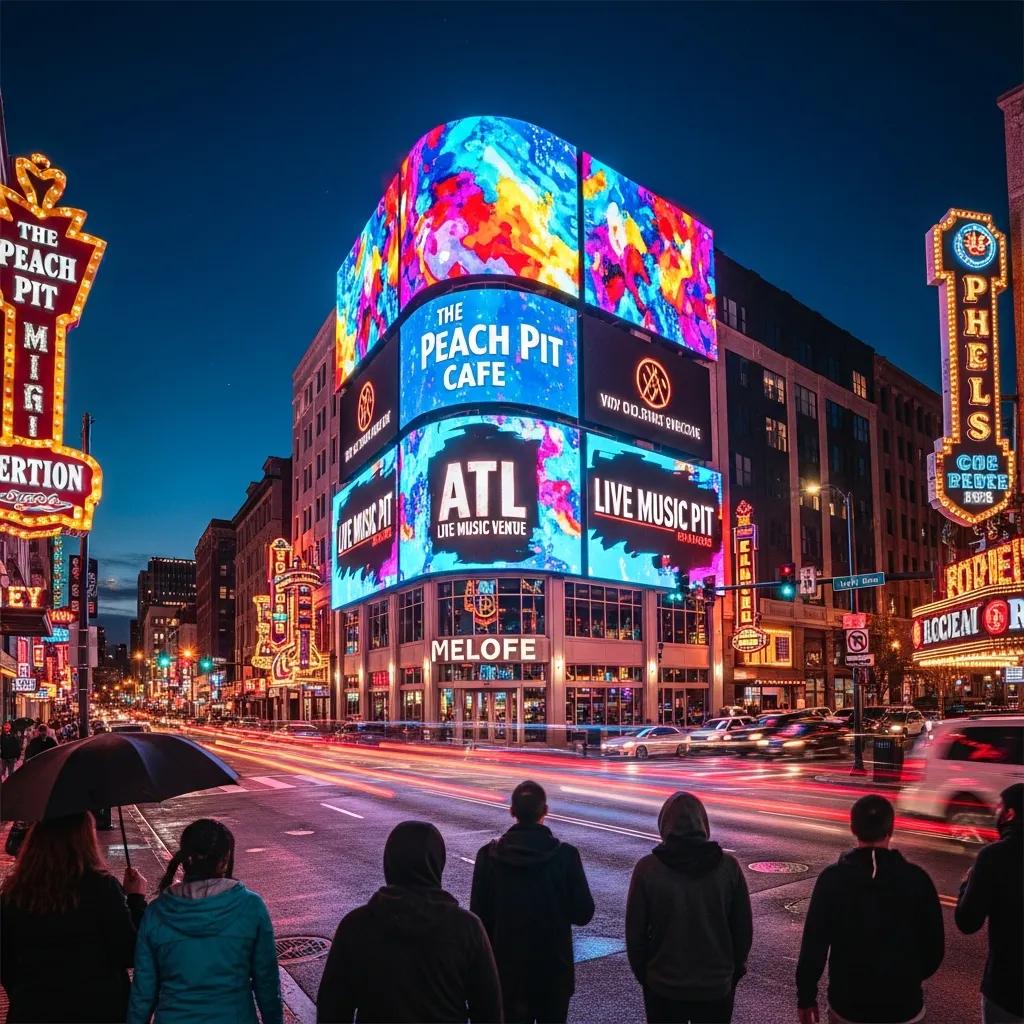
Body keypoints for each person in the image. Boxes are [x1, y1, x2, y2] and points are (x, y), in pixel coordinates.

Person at [317, 820, 502, 1023]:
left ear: (390, 862)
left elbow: (332, 1009)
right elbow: (488, 1010)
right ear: (438, 863)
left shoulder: (355, 926)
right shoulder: (467, 928)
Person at [796, 794, 944, 1024]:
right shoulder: (917, 879)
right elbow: (935, 948)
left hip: (848, 1006)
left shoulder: (832, 879)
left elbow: (814, 945)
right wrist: (907, 977)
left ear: (853, 828)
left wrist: (806, 997)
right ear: (891, 829)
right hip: (905, 1007)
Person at [128, 818, 283, 1024]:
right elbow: (267, 982)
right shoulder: (251, 907)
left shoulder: (156, 913)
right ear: (225, 860)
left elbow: (143, 991)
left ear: (185, 859)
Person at [0, 811, 148, 1023]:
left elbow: (5, 961)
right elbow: (128, 952)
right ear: (86, 839)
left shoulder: (13, 894)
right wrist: (135, 899)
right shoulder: (101, 887)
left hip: (34, 1009)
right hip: (99, 1009)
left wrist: (27, 994)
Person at [471, 781, 595, 1023]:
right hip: (553, 970)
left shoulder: (488, 856)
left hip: (507, 970)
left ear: (512, 811)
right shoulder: (565, 856)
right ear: (545, 811)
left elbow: (478, 920)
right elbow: (584, 913)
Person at [626, 791, 752, 1024]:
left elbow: (635, 936)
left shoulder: (647, 869)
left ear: (664, 825)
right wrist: (731, 972)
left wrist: (647, 976)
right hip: (715, 986)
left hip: (663, 986)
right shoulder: (728, 867)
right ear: (703, 824)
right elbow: (742, 930)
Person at [955, 783, 1023, 1023]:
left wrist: (966, 884)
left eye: (999, 808)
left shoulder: (994, 857)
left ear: (1010, 814)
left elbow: (967, 921)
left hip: (1008, 989)